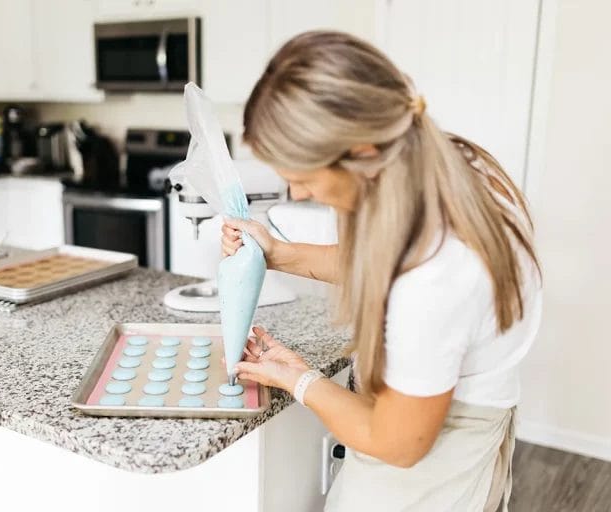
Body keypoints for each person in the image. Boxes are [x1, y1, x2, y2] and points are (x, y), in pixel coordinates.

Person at [221, 31, 542, 511]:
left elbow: (398, 443)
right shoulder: (436, 162)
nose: (300, 194)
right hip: (425, 411)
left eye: (304, 178)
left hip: (434, 446)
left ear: (364, 152)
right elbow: (377, 267)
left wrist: (300, 380)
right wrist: (276, 252)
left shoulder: (437, 268)